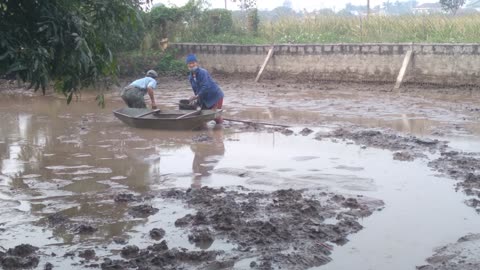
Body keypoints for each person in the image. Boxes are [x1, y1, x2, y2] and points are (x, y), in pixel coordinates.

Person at [186, 54, 224, 124]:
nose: (191, 65)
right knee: (203, 117)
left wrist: (197, 96)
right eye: (189, 63)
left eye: (193, 63)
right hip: (205, 98)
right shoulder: (190, 77)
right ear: (187, 65)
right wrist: (196, 99)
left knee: (215, 116)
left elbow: (205, 86)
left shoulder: (203, 72)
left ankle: (220, 130)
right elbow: (196, 91)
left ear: (196, 63)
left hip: (215, 96)